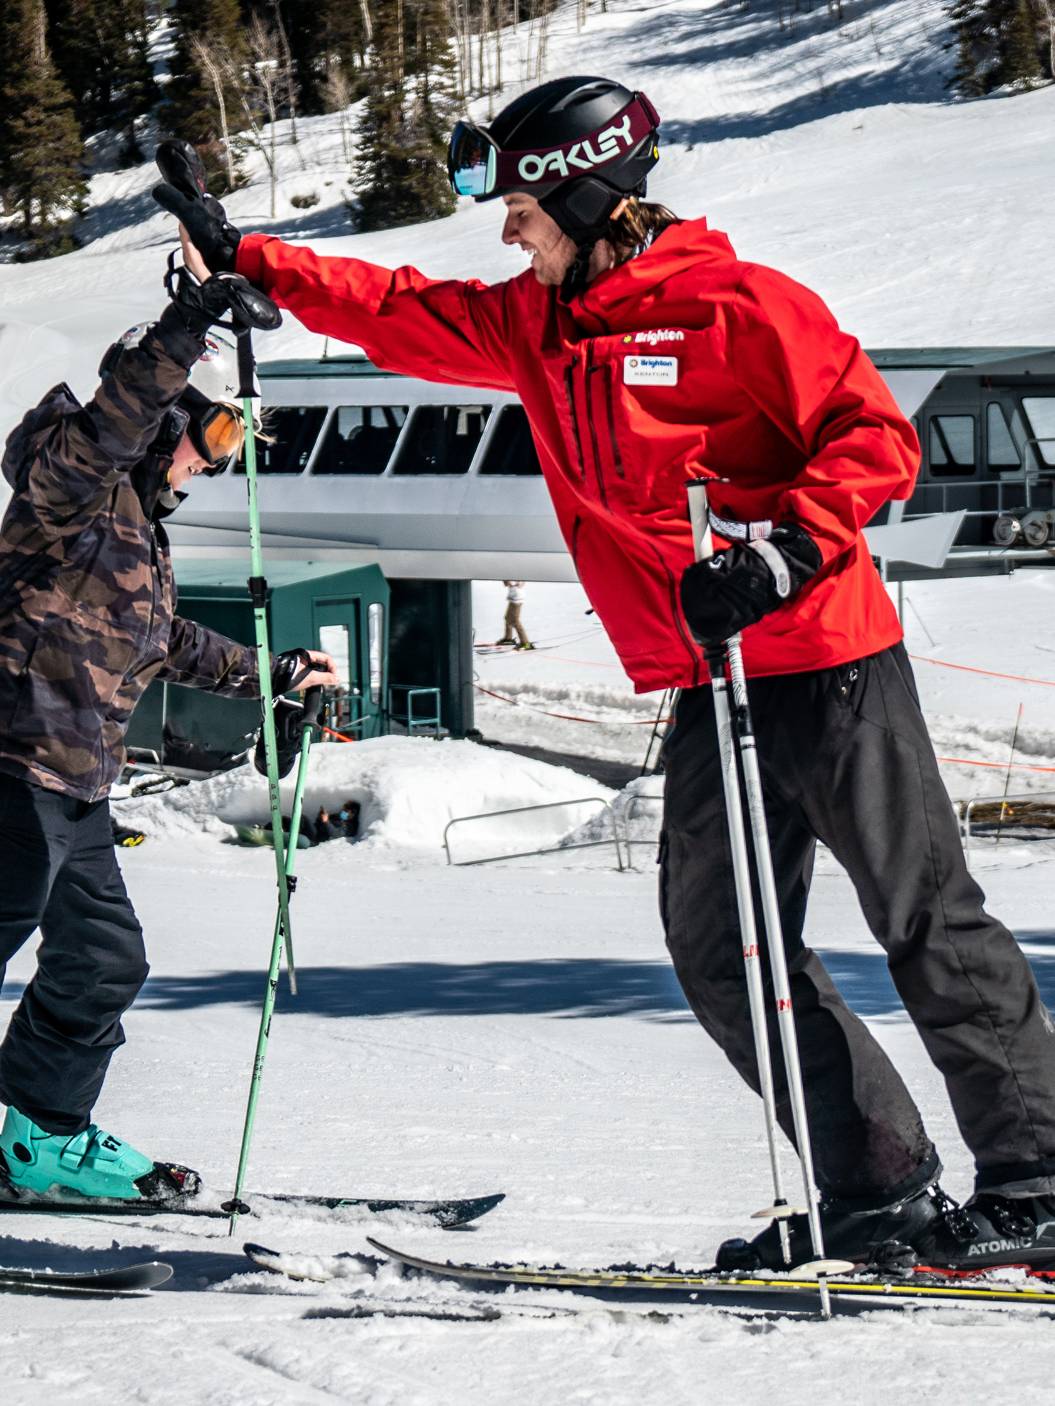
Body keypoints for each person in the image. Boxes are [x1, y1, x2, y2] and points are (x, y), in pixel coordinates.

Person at [156, 76, 1055, 1269]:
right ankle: (877, 1185)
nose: (506, 229)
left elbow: (873, 437)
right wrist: (249, 257)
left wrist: (781, 550)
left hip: (826, 659)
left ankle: (1036, 1181)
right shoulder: (539, 324)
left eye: (520, 205)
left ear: (582, 188)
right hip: (707, 676)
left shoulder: (734, 306)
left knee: (920, 915)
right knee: (719, 939)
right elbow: (398, 306)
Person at [0, 268, 337, 1203]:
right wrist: (187, 324)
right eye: (209, 436)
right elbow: (111, 423)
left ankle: (39, 1140)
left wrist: (267, 674)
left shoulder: (139, 534)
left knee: (103, 961)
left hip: (75, 785)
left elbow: (162, 641)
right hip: (10, 766)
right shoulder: (66, 491)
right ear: (157, 423)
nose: (211, 462)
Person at [497, 580, 534, 650]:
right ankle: (508, 638)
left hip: (517, 598)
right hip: (513, 597)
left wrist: (515, 583)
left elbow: (518, 583)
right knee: (507, 618)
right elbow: (507, 584)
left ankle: (526, 643)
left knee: (515, 621)